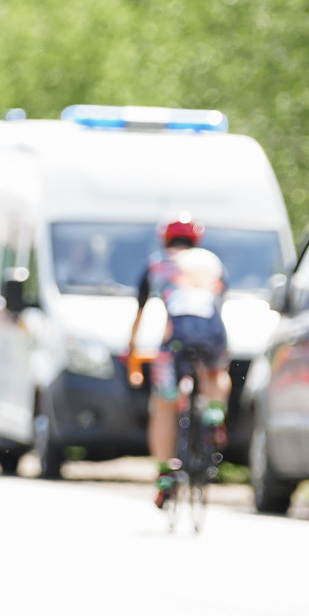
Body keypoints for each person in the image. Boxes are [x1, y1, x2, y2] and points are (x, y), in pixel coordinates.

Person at [134, 215, 229, 509]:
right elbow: (218, 303)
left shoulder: (157, 264)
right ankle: (214, 414)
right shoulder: (213, 263)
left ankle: (164, 474)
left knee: (164, 404)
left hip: (176, 339)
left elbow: (142, 313)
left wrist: (133, 354)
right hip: (211, 335)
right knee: (217, 371)